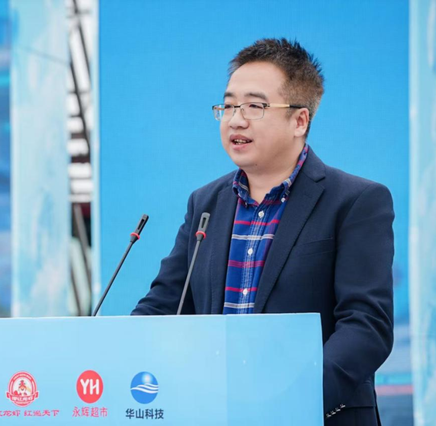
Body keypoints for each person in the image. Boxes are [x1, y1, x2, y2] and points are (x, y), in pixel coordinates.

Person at [132, 38, 394, 426]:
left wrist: (295, 399)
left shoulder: (355, 201)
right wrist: (114, 352)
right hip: (215, 413)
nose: (235, 120)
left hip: (314, 415)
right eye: (228, 106)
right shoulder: (205, 203)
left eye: (254, 106)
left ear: (300, 121)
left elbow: (366, 326)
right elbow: (165, 305)